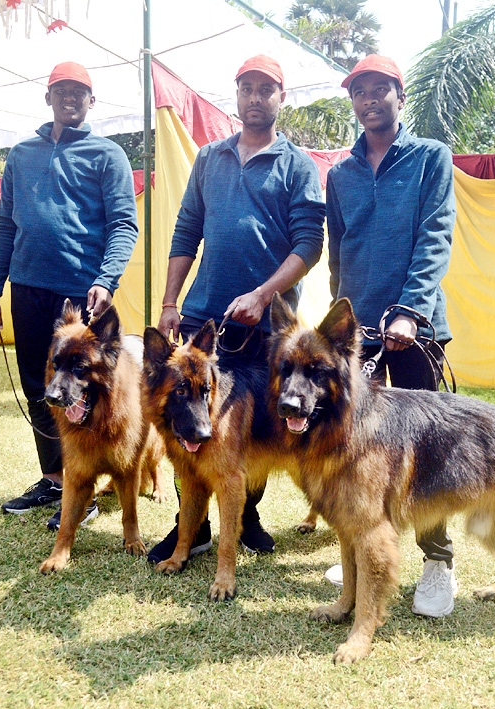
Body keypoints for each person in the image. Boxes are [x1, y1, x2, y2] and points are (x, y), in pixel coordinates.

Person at [148, 54, 326, 563]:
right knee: (189, 416)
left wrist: (263, 294)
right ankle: (194, 526)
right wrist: (168, 302)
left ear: (280, 98)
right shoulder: (209, 158)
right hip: (204, 320)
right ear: (237, 94)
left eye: (265, 89)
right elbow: (186, 232)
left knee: (253, 428)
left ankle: (246, 516)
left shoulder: (297, 165)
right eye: (246, 87)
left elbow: (309, 244)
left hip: (267, 330)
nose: (254, 96)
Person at [324, 55, 457, 618]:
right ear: (353, 102)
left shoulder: (430, 158)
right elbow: (338, 253)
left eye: (381, 89)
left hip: (415, 333)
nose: (370, 99)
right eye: (361, 92)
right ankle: (361, 549)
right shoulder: (340, 174)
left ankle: (438, 560)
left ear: (400, 96)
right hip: (359, 342)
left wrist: (409, 312)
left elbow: (435, 237)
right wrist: (340, 328)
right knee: (354, 451)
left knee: (424, 454)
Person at [0, 61, 139, 530]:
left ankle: (84, 488)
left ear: (93, 101)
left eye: (80, 91)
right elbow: (5, 224)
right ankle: (54, 479)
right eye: (61, 90)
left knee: (87, 388)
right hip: (26, 288)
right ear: (47, 97)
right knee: (40, 385)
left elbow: (123, 225)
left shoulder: (108, 155)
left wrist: (105, 280)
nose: (70, 97)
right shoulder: (21, 154)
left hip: (80, 296)